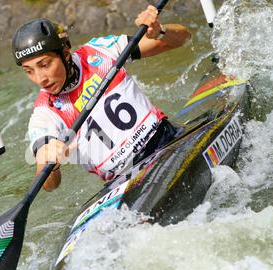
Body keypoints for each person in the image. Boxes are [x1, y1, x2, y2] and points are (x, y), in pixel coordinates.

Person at [12, 5, 191, 191]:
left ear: (65, 55)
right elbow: (49, 185)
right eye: (29, 71)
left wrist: (159, 31)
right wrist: (49, 161)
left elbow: (182, 39)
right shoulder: (44, 113)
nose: (40, 78)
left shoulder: (100, 51)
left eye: (45, 64)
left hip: (168, 140)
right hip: (125, 182)